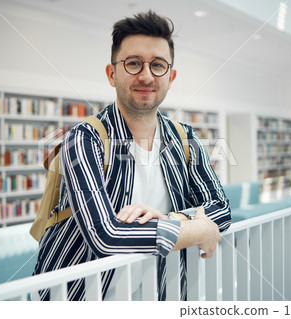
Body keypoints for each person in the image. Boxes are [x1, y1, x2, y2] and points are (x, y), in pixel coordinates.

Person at [33, 10, 232, 301]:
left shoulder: (186, 139)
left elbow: (221, 208)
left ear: (171, 76)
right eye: (134, 63)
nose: (147, 75)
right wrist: (198, 229)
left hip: (157, 294)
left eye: (158, 65)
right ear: (112, 74)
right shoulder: (84, 139)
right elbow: (105, 235)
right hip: (78, 298)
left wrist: (172, 218)